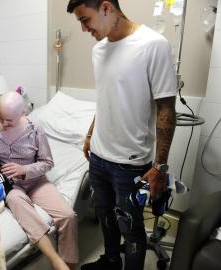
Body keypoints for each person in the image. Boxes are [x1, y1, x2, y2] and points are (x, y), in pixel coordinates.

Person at [67, 1, 177, 270]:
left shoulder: (154, 45)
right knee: (105, 217)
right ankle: (111, 261)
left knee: (130, 227)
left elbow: (166, 108)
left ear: (106, 7)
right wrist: (91, 134)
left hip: (130, 164)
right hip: (99, 157)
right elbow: (105, 98)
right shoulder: (98, 50)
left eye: (86, 19)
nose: (83, 29)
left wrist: (160, 166)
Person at [0, 92, 78, 270]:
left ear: (22, 113)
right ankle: (56, 261)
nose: (3, 124)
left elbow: (48, 163)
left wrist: (25, 170)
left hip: (36, 182)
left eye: (9, 120)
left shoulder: (35, 128)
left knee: (67, 216)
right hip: (11, 186)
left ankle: (69, 264)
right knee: (15, 199)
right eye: (1, 117)